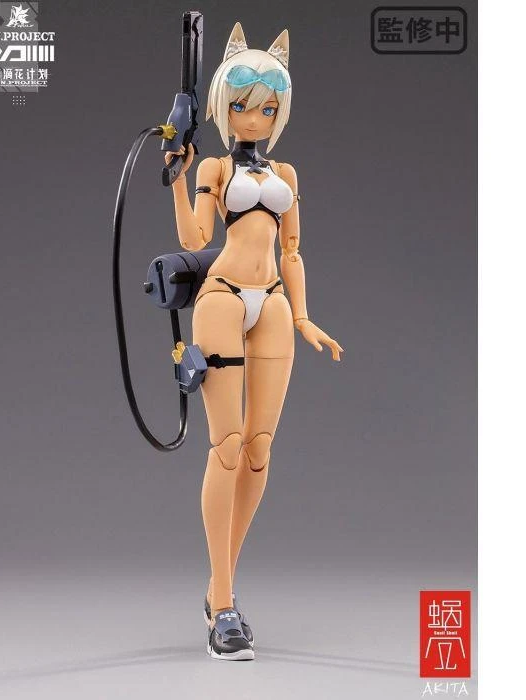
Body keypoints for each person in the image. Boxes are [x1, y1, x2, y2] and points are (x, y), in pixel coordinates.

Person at [165, 21, 343, 661]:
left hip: (272, 303)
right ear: (222, 106)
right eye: (242, 105)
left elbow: (292, 250)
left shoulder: (285, 172)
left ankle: (223, 588)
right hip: (220, 298)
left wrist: (304, 315)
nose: (254, 116)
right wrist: (180, 176)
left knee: (260, 450)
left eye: (268, 107)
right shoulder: (215, 166)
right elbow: (195, 239)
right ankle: (223, 602)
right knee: (227, 446)